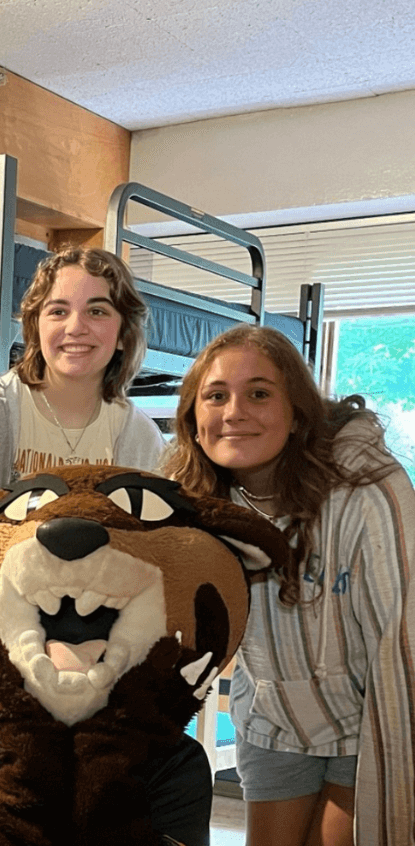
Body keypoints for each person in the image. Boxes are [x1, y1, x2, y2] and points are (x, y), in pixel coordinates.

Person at [0, 246, 211, 845]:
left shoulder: (137, 436)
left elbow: (155, 571)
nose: (76, 328)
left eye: (97, 311)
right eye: (58, 310)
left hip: (95, 688)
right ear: (35, 325)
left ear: (123, 330)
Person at [163, 324, 415, 846]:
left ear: (296, 410)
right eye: (216, 396)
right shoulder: (199, 506)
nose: (234, 412)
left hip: (366, 724)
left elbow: (402, 637)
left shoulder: (367, 490)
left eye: (259, 393)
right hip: (275, 720)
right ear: (193, 417)